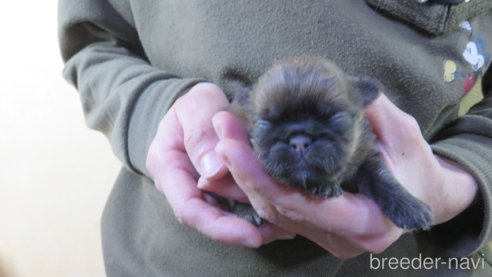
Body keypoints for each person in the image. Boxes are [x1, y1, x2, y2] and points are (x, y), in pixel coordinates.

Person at [58, 0, 492, 275]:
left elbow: (374, 167)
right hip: (162, 260)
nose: (300, 145)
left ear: (361, 104)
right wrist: (157, 108)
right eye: (273, 127)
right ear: (246, 111)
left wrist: (457, 180)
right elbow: (94, 45)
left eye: (331, 122)